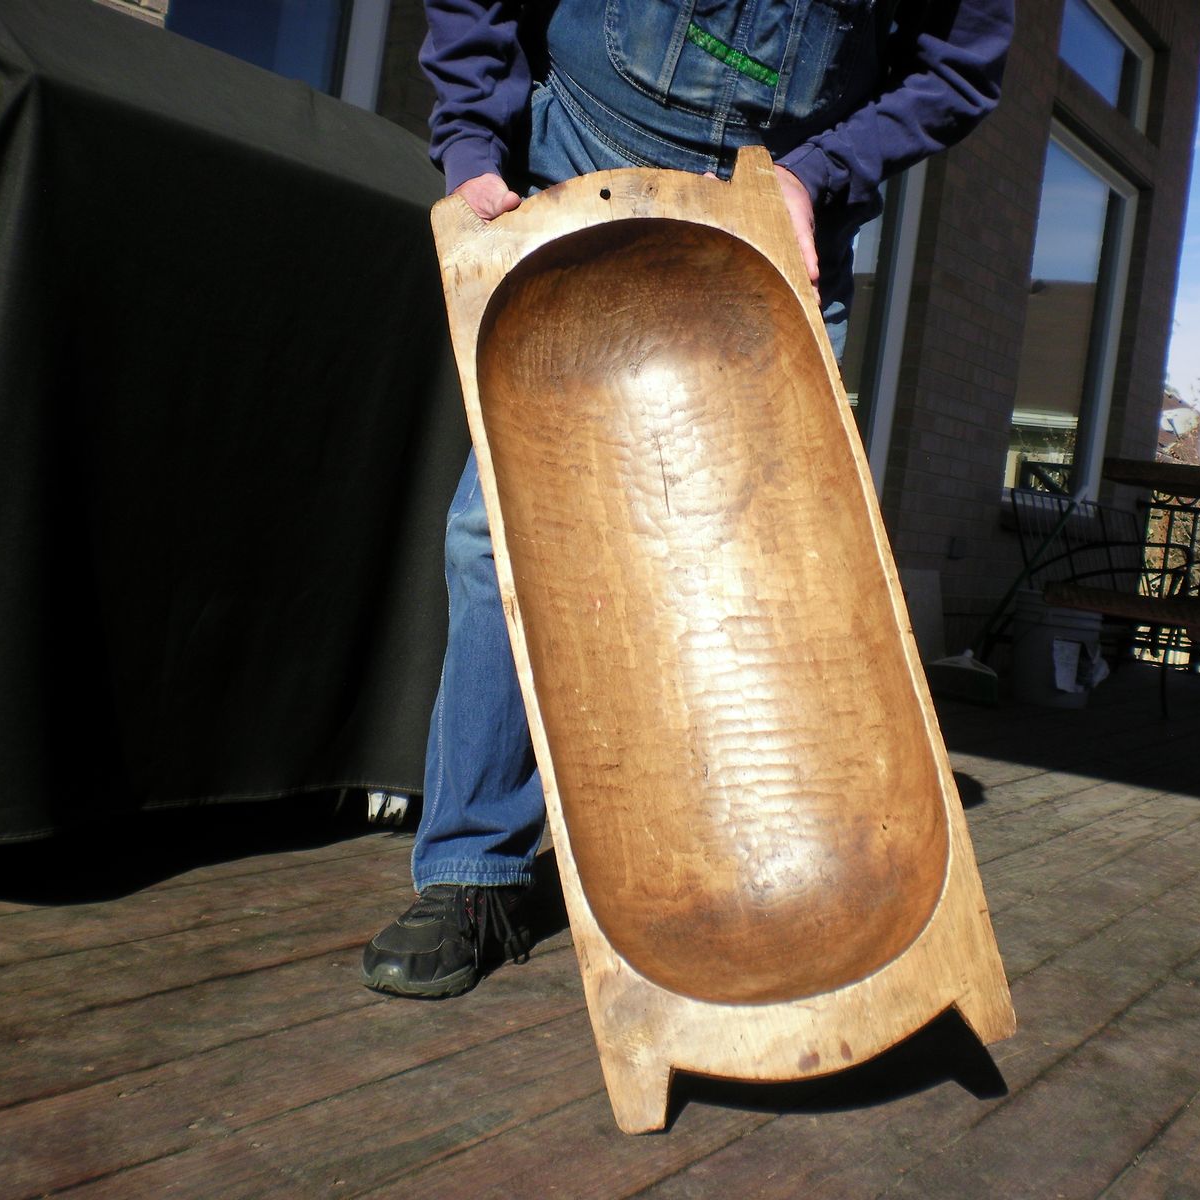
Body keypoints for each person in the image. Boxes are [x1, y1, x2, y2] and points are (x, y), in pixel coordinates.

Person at [361, 0, 1015, 999]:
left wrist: (816, 173)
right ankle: (472, 872)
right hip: (581, 156)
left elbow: (958, 71)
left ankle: (707, 897)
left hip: (776, 206)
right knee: (501, 537)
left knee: (738, 563)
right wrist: (469, 138)